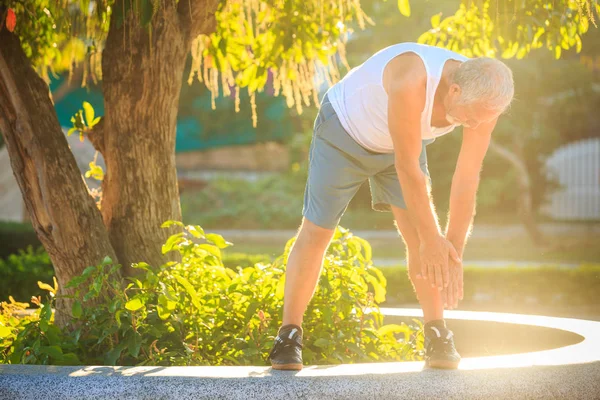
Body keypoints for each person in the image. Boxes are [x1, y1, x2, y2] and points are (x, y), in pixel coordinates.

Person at [267, 42, 514, 370]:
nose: (474, 125)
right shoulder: (412, 78)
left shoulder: (484, 103)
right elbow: (408, 169)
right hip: (345, 132)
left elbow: (467, 177)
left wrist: (452, 250)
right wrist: (433, 240)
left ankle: (437, 333)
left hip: (401, 147)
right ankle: (288, 335)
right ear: (453, 90)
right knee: (318, 230)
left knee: (422, 238)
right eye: (470, 119)